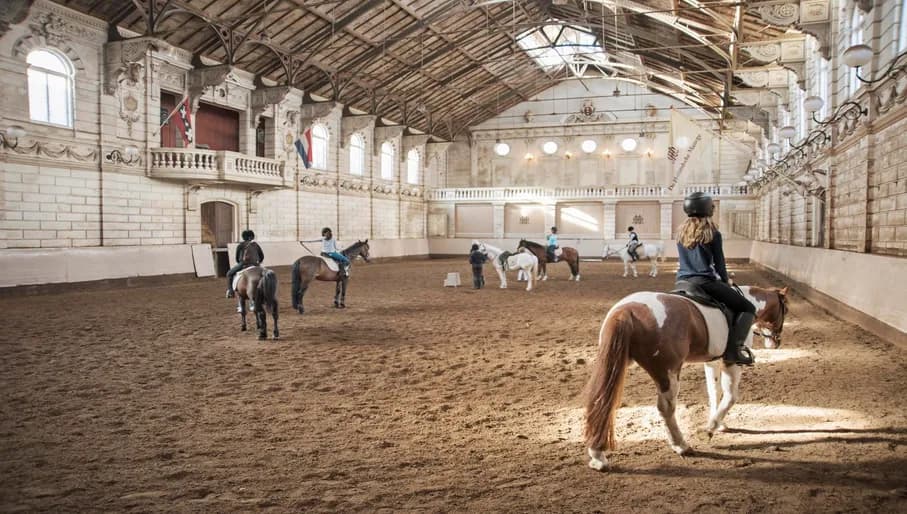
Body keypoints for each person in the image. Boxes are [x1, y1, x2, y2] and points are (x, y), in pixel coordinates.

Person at [676, 192, 755, 366]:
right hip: (705, 283)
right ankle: (735, 350)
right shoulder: (713, 233)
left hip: (682, 282)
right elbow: (719, 264)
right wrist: (726, 280)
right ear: (707, 208)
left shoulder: (681, 233)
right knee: (748, 307)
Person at [226, 229, 264, 298]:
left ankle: (230, 291)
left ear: (243, 237)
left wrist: (240, 263)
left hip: (244, 264)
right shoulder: (256, 245)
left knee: (229, 273)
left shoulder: (241, 245)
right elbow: (262, 256)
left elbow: (237, 258)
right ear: (252, 237)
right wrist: (258, 263)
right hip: (256, 265)